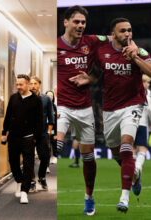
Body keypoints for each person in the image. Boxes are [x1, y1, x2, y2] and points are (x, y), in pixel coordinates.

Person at [70, 17, 151, 213]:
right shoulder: (102, 50)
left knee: (128, 145)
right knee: (116, 153)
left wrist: (135, 58)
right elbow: (96, 73)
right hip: (110, 109)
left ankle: (124, 198)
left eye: (129, 30)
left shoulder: (140, 52)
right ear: (113, 34)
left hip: (133, 104)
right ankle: (135, 175)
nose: (127, 34)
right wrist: (89, 79)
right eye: (122, 31)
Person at [57, 5, 105, 215]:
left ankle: (89, 197)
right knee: (57, 144)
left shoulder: (91, 42)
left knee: (88, 158)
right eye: (76, 21)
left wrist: (91, 78)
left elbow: (114, 40)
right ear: (65, 22)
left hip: (85, 108)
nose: (80, 26)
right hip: (63, 106)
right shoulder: (56, 45)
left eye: (83, 22)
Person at [1, 74, 43, 204]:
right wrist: (4, 133)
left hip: (28, 138)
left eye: (21, 84)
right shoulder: (13, 98)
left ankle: (25, 191)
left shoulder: (36, 100)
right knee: (13, 162)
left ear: (28, 85)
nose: (18, 87)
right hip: (13, 137)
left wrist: (35, 137)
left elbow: (39, 121)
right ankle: (19, 181)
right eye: (17, 84)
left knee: (28, 164)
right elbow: (7, 117)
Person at [133, 74, 151, 196]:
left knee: (132, 148)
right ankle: (137, 169)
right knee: (142, 149)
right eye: (147, 82)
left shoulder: (131, 88)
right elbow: (149, 108)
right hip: (141, 122)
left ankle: (133, 171)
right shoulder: (146, 92)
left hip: (129, 122)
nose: (148, 85)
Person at [29, 76, 54, 191]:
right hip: (28, 133)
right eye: (31, 83)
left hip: (42, 133)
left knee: (45, 157)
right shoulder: (25, 98)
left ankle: (41, 177)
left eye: (35, 83)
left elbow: (50, 116)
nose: (33, 86)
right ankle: (31, 180)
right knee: (28, 158)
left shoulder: (46, 99)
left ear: (39, 85)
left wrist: (49, 132)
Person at [46, 90, 58, 164]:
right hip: (44, 130)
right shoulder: (42, 105)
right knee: (46, 147)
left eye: (51, 96)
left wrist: (56, 133)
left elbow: (56, 121)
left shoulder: (54, 107)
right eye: (48, 95)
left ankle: (54, 157)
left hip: (53, 130)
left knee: (53, 144)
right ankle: (46, 165)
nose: (50, 97)